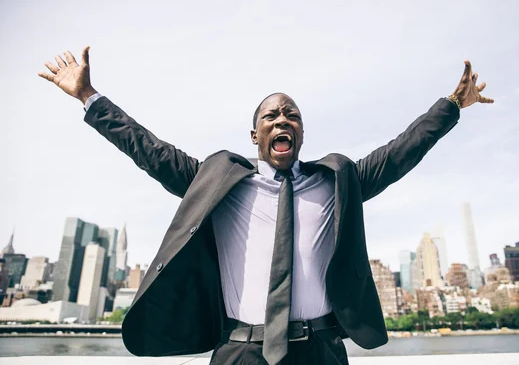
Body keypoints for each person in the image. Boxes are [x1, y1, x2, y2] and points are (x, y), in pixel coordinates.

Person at [39, 46, 493, 365]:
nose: (282, 119)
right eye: (271, 116)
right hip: (241, 352)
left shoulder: (338, 182)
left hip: (322, 351)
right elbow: (148, 149)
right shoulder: (218, 184)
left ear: (301, 132)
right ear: (255, 136)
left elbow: (399, 153)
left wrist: (452, 105)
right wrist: (88, 96)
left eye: (291, 114)